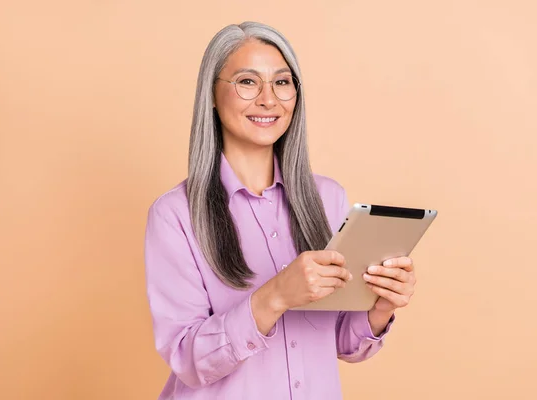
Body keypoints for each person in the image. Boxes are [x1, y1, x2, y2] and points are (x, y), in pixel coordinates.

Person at [144, 21, 416, 400]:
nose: (268, 99)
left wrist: (381, 306)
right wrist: (276, 296)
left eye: (282, 82)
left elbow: (341, 342)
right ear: (211, 93)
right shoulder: (174, 215)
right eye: (247, 81)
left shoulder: (328, 199)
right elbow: (188, 359)